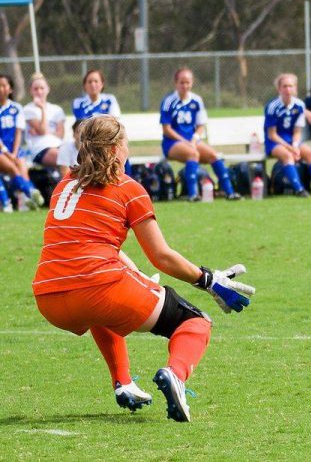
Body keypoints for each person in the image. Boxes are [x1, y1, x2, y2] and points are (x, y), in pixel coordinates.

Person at [32, 115, 256, 421]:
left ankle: (123, 383)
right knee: (195, 322)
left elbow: (90, 244)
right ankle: (176, 374)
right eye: (126, 144)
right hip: (97, 287)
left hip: (48, 298)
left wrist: (133, 274)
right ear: (115, 149)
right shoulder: (128, 187)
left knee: (101, 311)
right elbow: (161, 256)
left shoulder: (63, 187)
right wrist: (209, 280)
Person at [160, 67, 240, 201]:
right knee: (193, 154)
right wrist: (185, 141)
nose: (185, 86)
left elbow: (201, 125)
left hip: (192, 141)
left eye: (188, 82)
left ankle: (230, 192)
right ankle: (193, 195)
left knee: (214, 155)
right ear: (176, 83)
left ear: (192, 83)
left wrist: (194, 140)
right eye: (181, 82)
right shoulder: (169, 101)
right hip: (172, 143)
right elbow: (166, 129)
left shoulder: (196, 100)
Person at [264, 73, 311, 197]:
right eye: (284, 86)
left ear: (295, 88)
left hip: (292, 141)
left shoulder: (299, 105)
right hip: (275, 142)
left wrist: (295, 145)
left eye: (291, 86)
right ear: (279, 89)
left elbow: (297, 132)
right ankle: (299, 190)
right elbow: (272, 135)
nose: (288, 89)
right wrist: (290, 148)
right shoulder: (272, 107)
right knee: (288, 156)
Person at [0, 74, 44, 210]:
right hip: (2, 150)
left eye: (4, 85)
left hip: (14, 149)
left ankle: (29, 202)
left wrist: (14, 153)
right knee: (13, 169)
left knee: (23, 173)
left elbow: (18, 133)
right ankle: (31, 193)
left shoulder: (16, 108)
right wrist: (7, 153)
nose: (1, 89)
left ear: (10, 89)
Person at [23, 73, 65, 169]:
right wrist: (42, 109)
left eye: (42, 88)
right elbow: (42, 131)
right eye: (35, 89)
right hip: (40, 149)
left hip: (59, 145)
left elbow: (60, 134)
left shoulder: (57, 109)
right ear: (30, 91)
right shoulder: (28, 110)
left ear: (48, 89)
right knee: (64, 158)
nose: (39, 91)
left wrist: (46, 132)